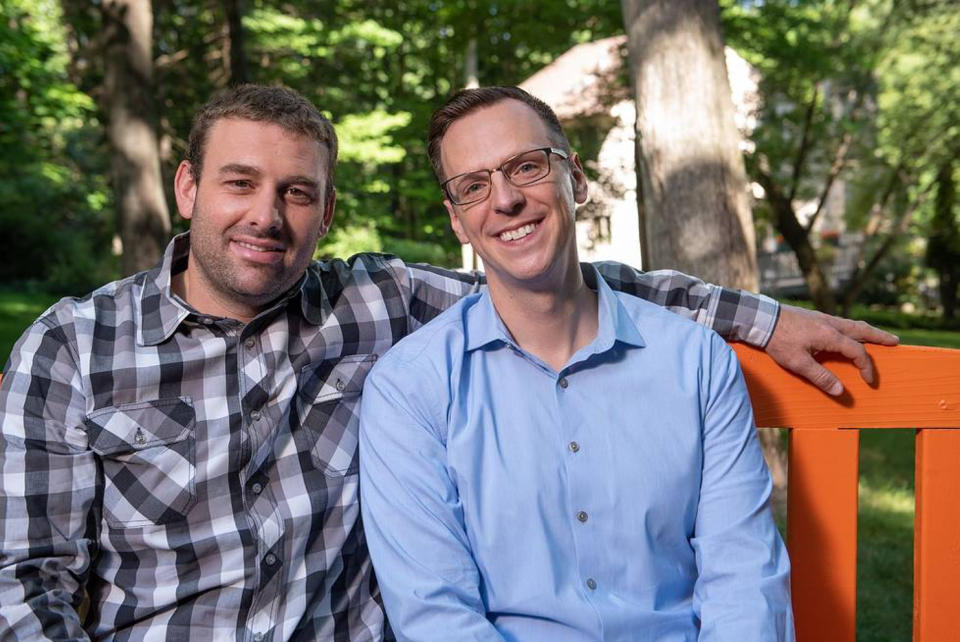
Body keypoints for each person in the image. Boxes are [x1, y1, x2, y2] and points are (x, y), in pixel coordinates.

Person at [0, 84, 888, 640]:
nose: (267, 215)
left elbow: (556, 277)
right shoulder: (75, 347)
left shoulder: (370, 303)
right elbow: (24, 578)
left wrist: (759, 318)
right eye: (239, 183)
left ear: (326, 211)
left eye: (297, 193)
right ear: (189, 187)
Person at [359, 86, 794, 640]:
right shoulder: (409, 387)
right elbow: (437, 616)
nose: (505, 199)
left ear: (577, 178)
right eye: (474, 186)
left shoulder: (697, 361)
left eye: (526, 167)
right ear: (457, 220)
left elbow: (744, 580)